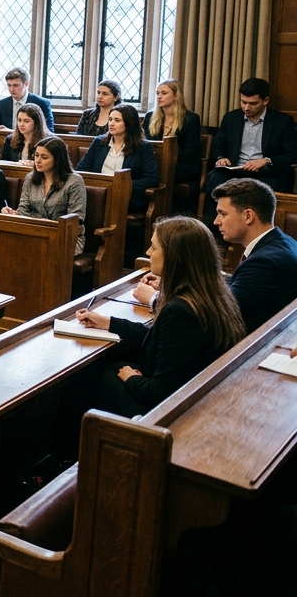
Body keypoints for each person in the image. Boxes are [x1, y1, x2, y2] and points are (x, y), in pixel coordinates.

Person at [75, 217, 245, 418]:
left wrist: (131, 378)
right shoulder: (212, 292)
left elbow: (159, 392)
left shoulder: (181, 310)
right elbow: (161, 339)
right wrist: (108, 323)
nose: (147, 253)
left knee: (87, 375)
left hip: (171, 411)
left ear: (174, 257)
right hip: (195, 392)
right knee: (106, 364)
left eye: (154, 248)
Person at [208, 179, 297, 333]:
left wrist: (157, 297)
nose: (216, 222)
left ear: (248, 216)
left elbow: (219, 315)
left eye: (223, 214)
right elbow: (242, 283)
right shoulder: (283, 242)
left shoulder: (265, 263)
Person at [204, 77, 297, 202]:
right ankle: (216, 221)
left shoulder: (282, 121)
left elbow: (292, 154)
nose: (246, 108)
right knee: (215, 180)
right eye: (243, 102)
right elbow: (218, 146)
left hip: (266, 173)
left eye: (253, 103)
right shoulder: (231, 118)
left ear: (265, 100)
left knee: (267, 189)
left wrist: (267, 161)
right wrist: (221, 158)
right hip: (235, 169)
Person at [3, 137, 87, 254]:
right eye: (36, 155)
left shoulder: (74, 181)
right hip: (34, 234)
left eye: (44, 157)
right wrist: (14, 213)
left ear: (57, 160)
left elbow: (76, 218)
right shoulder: (30, 178)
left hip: (65, 238)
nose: (38, 160)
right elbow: (23, 209)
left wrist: (44, 226)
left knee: (38, 252)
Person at [76, 105, 159, 214]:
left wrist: (123, 184)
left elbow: (152, 178)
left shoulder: (143, 147)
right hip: (98, 193)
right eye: (110, 119)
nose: (111, 123)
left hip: (125, 196)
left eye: (117, 120)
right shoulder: (99, 142)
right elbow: (81, 169)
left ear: (129, 123)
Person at [143, 79, 202, 184]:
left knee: (158, 171)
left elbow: (190, 152)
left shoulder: (191, 119)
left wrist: (167, 156)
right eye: (157, 93)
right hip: (153, 162)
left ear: (176, 96)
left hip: (180, 164)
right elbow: (145, 142)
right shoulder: (150, 117)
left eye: (164, 93)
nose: (159, 97)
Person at [0, 67, 55, 131]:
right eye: (9, 85)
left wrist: (11, 132)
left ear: (26, 84)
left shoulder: (41, 103)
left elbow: (49, 131)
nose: (11, 89)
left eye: (15, 85)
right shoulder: (2, 104)